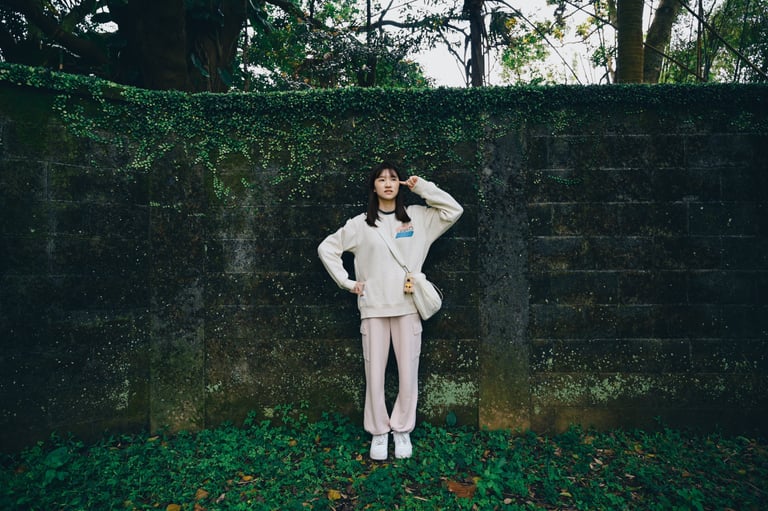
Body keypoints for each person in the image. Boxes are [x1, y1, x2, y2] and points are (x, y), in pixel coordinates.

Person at [317, 162, 463, 460]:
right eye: (381, 179)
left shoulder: (419, 218)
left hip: (408, 306)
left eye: (393, 179)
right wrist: (348, 282)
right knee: (374, 373)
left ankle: (402, 430)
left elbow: (453, 210)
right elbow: (327, 248)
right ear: (373, 186)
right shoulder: (360, 224)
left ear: (400, 184)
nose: (387, 183)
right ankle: (379, 432)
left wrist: (422, 187)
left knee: (409, 371)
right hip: (373, 308)